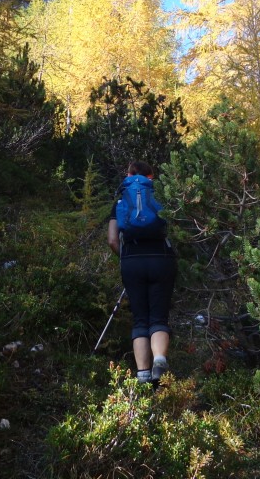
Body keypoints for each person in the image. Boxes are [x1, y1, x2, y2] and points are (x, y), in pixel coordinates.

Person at [107, 160, 177, 384]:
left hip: (131, 260)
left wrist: (125, 256)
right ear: (151, 177)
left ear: (128, 175)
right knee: (158, 317)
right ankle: (159, 360)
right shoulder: (160, 196)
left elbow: (111, 239)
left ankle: (143, 376)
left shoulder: (121, 199)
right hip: (161, 259)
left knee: (140, 320)